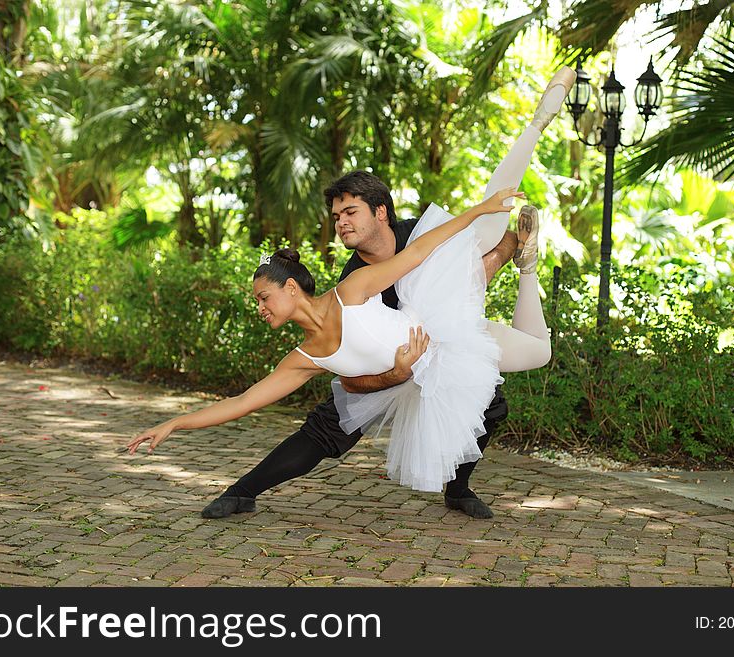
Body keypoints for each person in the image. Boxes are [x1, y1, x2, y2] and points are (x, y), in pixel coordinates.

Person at [127, 66, 577, 518]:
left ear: (379, 212)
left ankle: (537, 132)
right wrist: (175, 423)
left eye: (349, 212)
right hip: (385, 362)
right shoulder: (349, 283)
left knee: (495, 389)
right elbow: (252, 400)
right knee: (327, 429)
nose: (341, 222)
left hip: (441, 330)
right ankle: (243, 492)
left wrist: (490, 225)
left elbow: (441, 262)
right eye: (336, 215)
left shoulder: (398, 250)